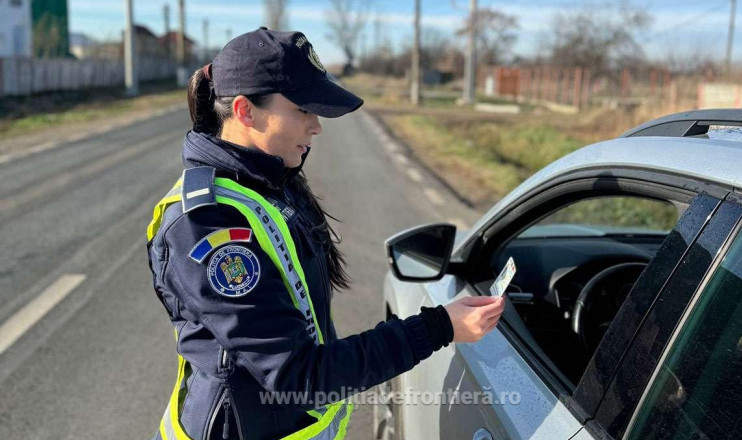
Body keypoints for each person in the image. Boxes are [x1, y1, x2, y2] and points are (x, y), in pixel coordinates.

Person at [146, 27, 505, 440]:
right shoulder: (208, 225)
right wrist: (439, 327)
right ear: (245, 111)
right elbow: (297, 376)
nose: (316, 127)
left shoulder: (268, 179)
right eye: (303, 110)